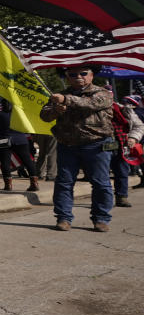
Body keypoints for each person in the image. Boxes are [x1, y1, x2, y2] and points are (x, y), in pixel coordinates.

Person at [39, 65, 114, 232]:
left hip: (96, 144)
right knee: (64, 183)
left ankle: (101, 218)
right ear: (67, 77)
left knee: (101, 183)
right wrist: (55, 110)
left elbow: (90, 104)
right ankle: (63, 218)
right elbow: (44, 115)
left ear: (92, 75)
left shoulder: (102, 93)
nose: (78, 77)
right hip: (67, 145)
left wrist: (65, 101)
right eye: (72, 74)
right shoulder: (60, 95)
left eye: (83, 73)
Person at [0, 97, 40, 192]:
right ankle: (34, 183)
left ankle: (8, 184)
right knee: (28, 161)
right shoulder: (19, 115)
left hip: (3, 140)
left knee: (5, 162)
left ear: (2, 106)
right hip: (20, 139)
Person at [109, 95, 144, 208]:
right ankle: (104, 199)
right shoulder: (91, 109)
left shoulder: (123, 109)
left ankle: (122, 196)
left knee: (122, 172)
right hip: (99, 147)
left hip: (121, 145)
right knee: (101, 176)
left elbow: (139, 126)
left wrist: (133, 138)